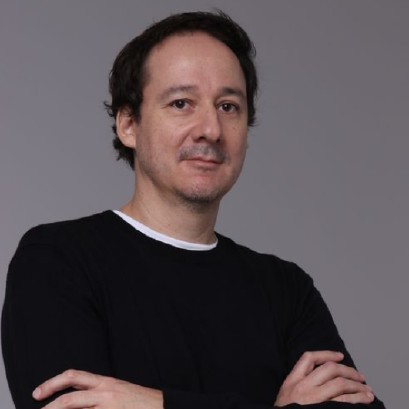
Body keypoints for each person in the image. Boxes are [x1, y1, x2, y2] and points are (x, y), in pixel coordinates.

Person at [1, 10, 385, 409]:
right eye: (182, 103)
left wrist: (155, 403)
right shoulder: (57, 260)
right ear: (128, 124)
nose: (211, 129)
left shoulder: (286, 290)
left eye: (228, 106)